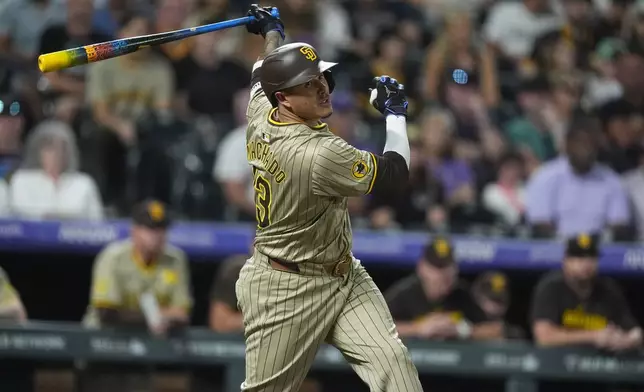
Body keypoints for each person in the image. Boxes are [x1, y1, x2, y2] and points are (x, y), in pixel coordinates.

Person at [236, 5, 422, 392]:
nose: (322, 86)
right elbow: (394, 175)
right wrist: (395, 114)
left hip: (344, 275)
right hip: (286, 287)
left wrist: (271, 29)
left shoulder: (260, 107)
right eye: (309, 83)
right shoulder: (317, 152)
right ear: (285, 98)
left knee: (395, 366)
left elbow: (263, 67)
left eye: (321, 76)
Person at [82, 200, 192, 392]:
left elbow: (182, 313)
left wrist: (156, 317)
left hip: (143, 352)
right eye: (150, 229)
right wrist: (155, 318)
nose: (157, 236)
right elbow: (106, 313)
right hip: (102, 350)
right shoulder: (113, 257)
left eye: (161, 229)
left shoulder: (175, 259)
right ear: (134, 231)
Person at [530, 233, 642, 351]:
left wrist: (626, 341)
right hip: (556, 362)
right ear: (565, 261)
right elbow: (544, 337)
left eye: (591, 257)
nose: (586, 263)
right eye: (579, 257)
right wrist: (593, 336)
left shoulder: (608, 289)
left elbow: (635, 331)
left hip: (598, 363)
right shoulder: (551, 287)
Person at [525, 118, 631, 239]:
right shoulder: (545, 176)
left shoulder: (611, 180)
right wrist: (572, 245)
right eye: (580, 143)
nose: (585, 150)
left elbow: (619, 224)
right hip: (555, 251)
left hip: (599, 250)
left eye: (590, 144)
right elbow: (540, 224)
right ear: (567, 144)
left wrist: (588, 244)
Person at [385, 237, 504, 341]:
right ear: (422, 268)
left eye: (447, 267)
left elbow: (496, 330)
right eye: (436, 267)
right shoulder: (405, 293)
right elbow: (373, 328)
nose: (442, 275)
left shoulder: (462, 294)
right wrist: (417, 328)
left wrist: (464, 331)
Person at [9, 120, 103, 220]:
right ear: (38, 151)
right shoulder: (21, 180)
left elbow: (97, 222)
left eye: (62, 147)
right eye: (50, 147)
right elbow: (18, 217)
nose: (57, 153)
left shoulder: (84, 183)